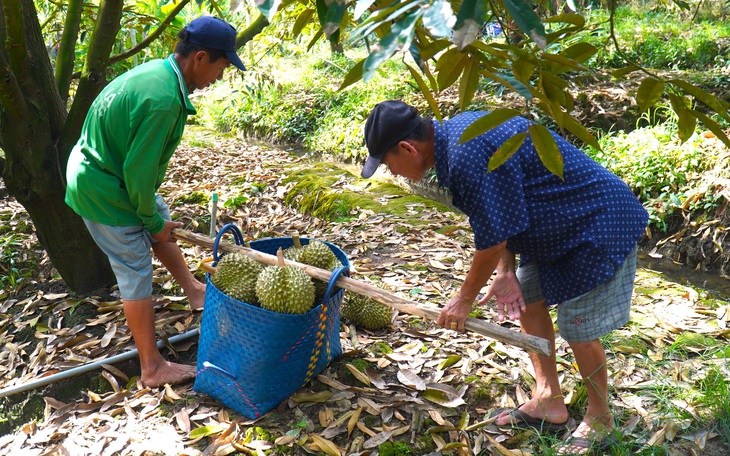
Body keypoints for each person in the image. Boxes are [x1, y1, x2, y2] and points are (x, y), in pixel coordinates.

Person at [360, 100, 648, 455]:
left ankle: (601, 417)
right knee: (524, 295)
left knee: (578, 325)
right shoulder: (456, 141)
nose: (393, 173)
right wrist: (506, 272)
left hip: (597, 222)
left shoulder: (466, 153)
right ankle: (548, 399)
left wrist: (464, 299)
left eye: (389, 165)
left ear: (408, 148)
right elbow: (501, 214)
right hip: (556, 225)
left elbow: (494, 237)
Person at [65, 16, 246, 388]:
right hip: (102, 185)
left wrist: (153, 218)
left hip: (107, 170)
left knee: (158, 217)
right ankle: (151, 367)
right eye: (221, 66)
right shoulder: (162, 100)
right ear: (199, 58)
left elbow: (139, 177)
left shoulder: (158, 75)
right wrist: (149, 222)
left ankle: (195, 291)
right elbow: (138, 173)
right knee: (135, 268)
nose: (220, 76)